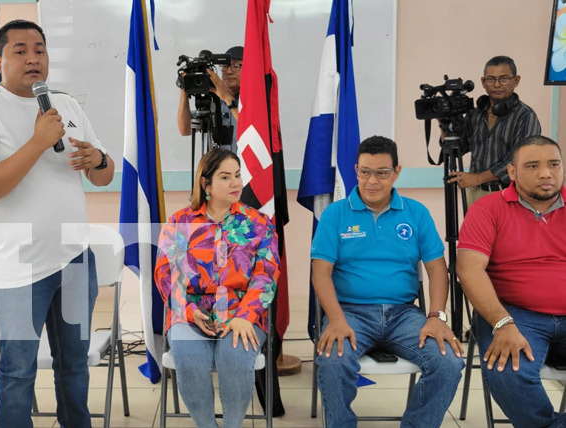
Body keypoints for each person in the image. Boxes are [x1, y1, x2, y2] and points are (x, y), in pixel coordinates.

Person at [0, 19, 114, 427]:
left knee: (74, 367)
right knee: (18, 372)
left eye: (39, 49)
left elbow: (103, 175)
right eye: (19, 51)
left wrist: (98, 160)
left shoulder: (65, 104)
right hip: (18, 268)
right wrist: (38, 142)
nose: (32, 58)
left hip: (75, 258)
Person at [311, 135, 464, 428]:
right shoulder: (335, 214)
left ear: (396, 171)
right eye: (365, 171)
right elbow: (320, 272)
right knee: (332, 361)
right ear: (355, 170)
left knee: (449, 361)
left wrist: (436, 316)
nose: (372, 181)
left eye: (382, 172)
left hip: (405, 314)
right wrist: (336, 319)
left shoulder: (416, 213)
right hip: (350, 313)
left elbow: (436, 269)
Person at [155, 148, 280, 428]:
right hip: (189, 312)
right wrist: (187, 311)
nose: (236, 183)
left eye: (237, 175)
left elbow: (267, 275)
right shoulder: (179, 223)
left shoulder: (258, 223)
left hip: (241, 312)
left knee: (235, 357)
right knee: (189, 360)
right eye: (225, 177)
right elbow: (165, 274)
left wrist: (245, 316)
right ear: (206, 183)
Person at [457, 135, 566, 428]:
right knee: (507, 369)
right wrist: (502, 323)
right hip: (514, 314)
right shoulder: (487, 208)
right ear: (513, 172)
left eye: (554, 164)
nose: (546, 173)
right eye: (533, 166)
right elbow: (468, 270)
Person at [448, 55, 541, 205]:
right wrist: (444, 122)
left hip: (510, 194)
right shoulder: (476, 114)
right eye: (491, 79)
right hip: (475, 193)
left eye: (503, 79)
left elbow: (520, 160)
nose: (497, 84)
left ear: (516, 80)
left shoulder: (525, 116)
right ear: (483, 82)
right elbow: (458, 148)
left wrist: (478, 178)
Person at [177, 46, 243, 151]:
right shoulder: (212, 98)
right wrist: (184, 91)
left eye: (236, 66)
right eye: (225, 66)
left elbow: (252, 130)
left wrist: (228, 99)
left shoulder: (254, 99)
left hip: (242, 166)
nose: (229, 71)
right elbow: (185, 130)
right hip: (214, 166)